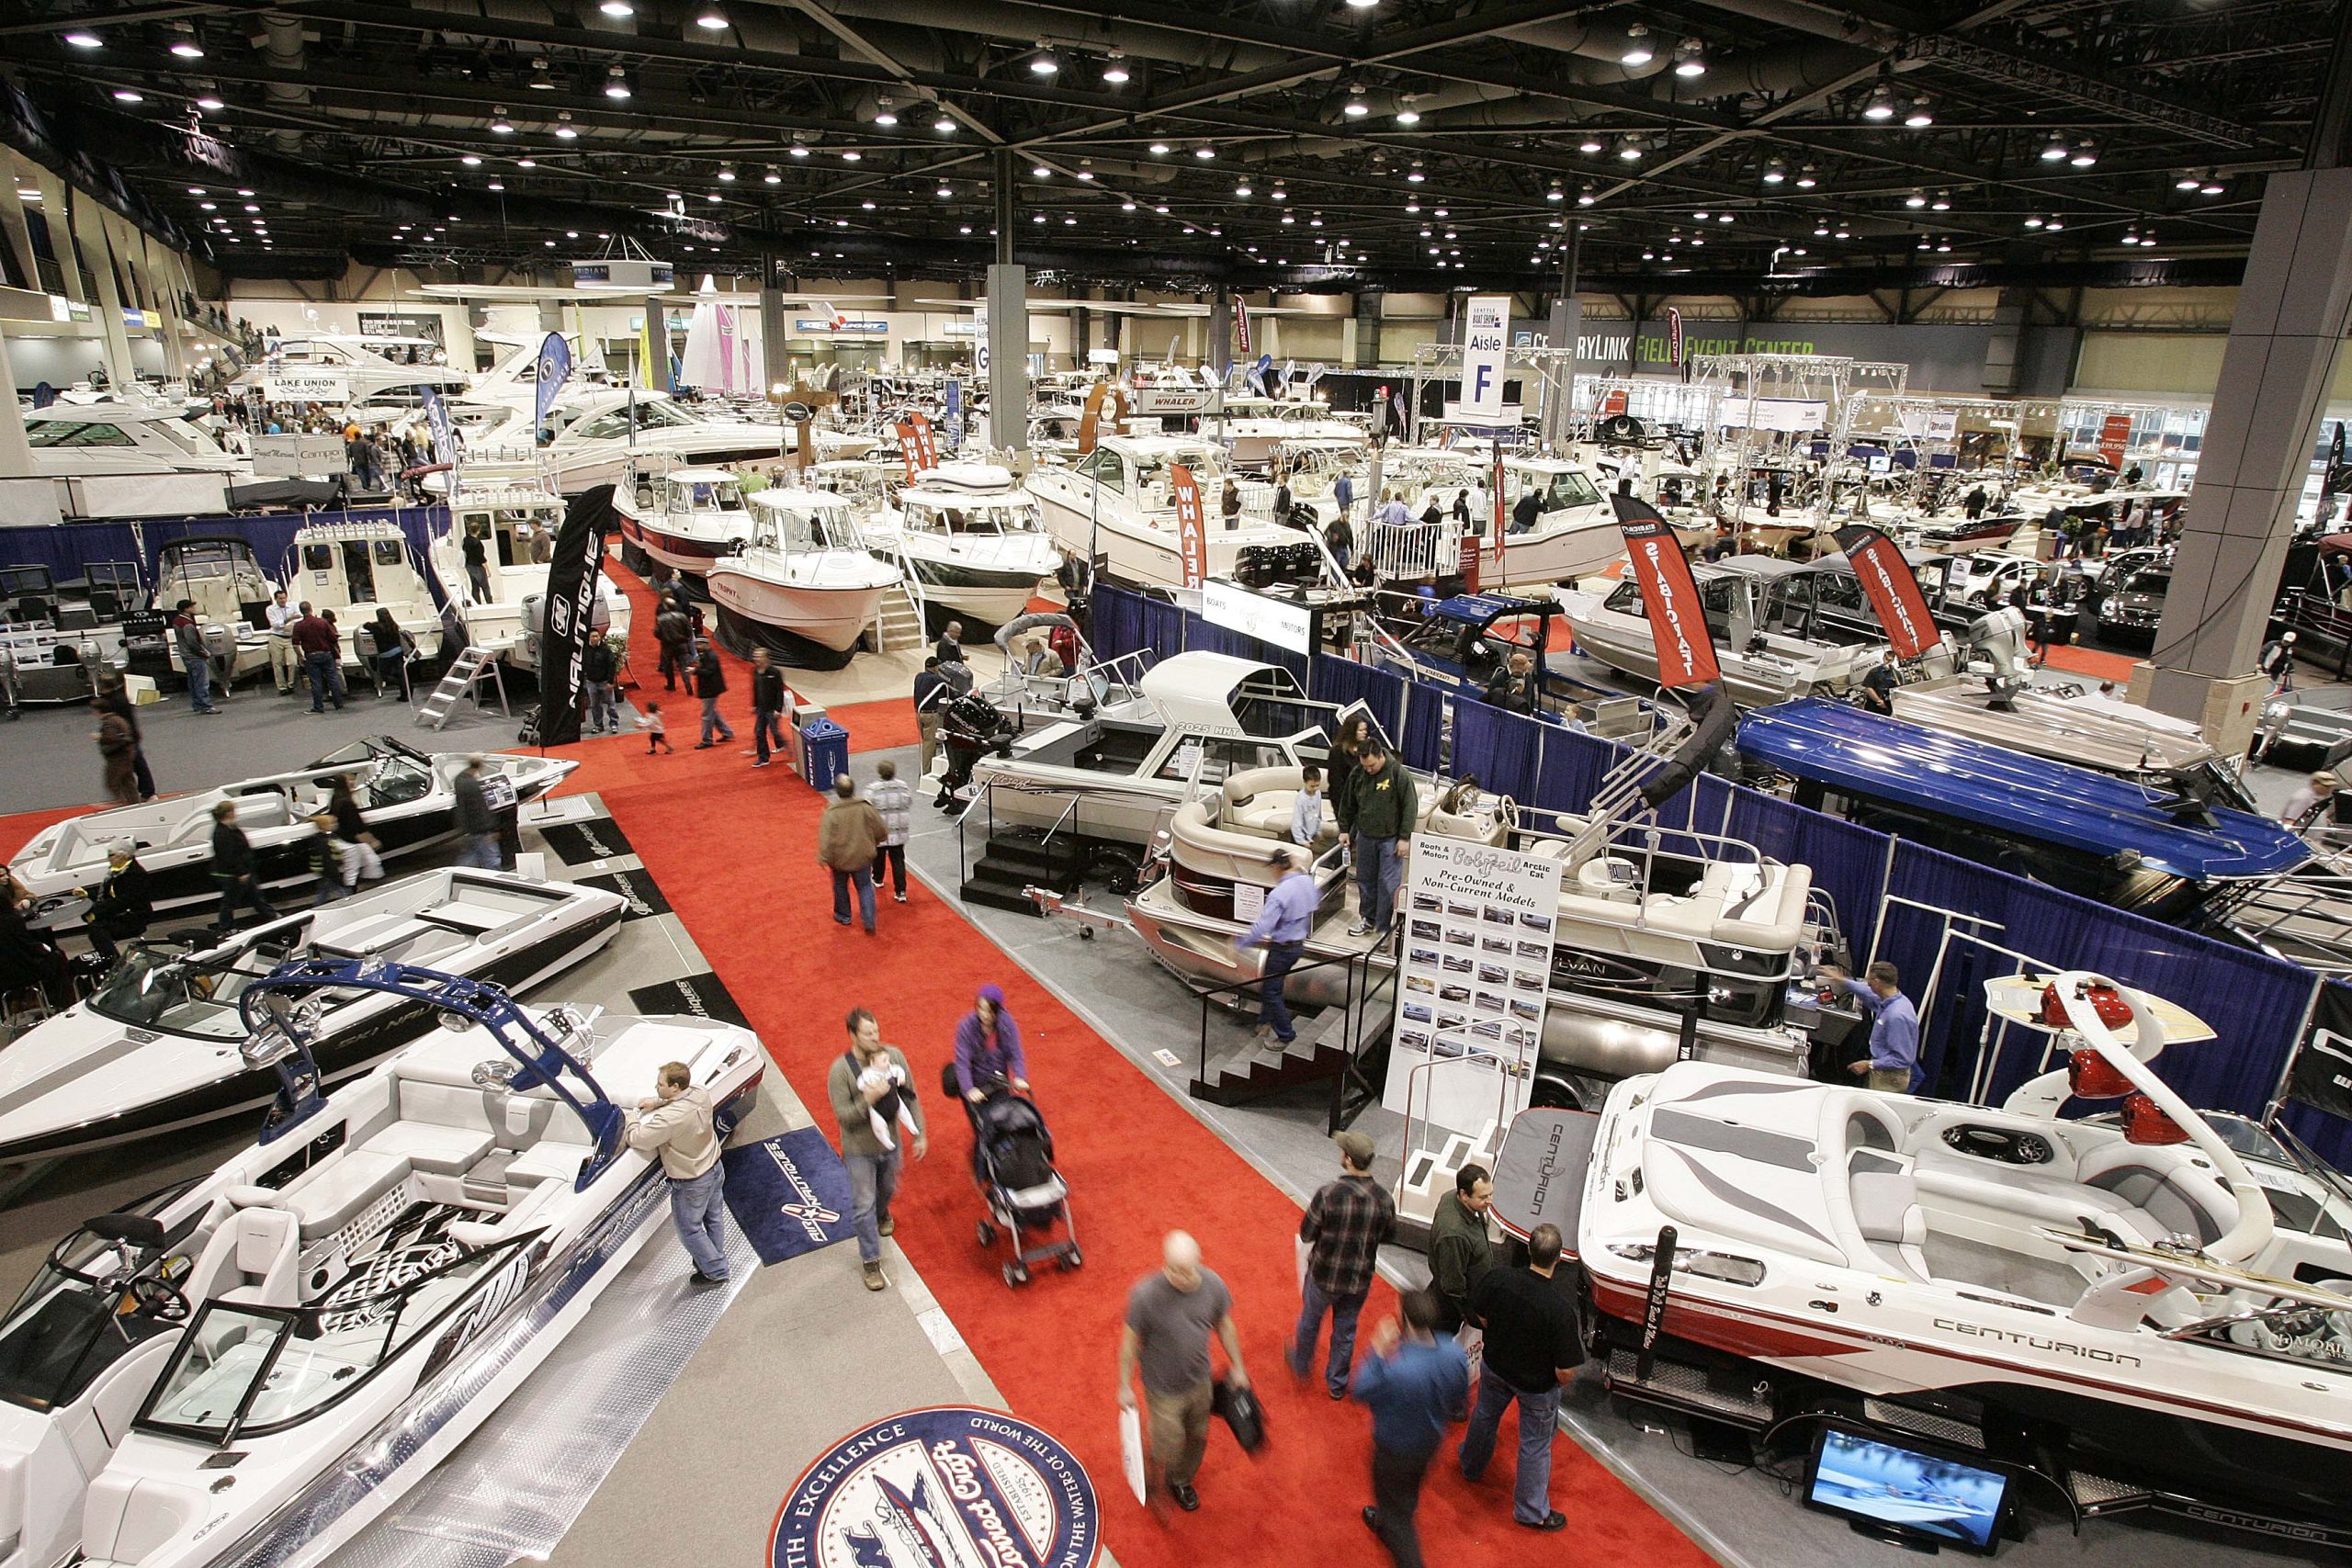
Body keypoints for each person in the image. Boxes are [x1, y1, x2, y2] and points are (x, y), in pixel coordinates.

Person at [1457, 1223, 1580, 1532]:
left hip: (1496, 1368)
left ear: (1528, 1250)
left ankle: (1470, 1466)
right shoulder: (1560, 1311)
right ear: (1559, 1259)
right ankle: (1530, 1510)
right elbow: (1566, 1372)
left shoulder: (1499, 1279)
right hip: (1536, 1387)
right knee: (1535, 1445)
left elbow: (1481, 1317)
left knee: (1484, 1416)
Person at [1118, 1231, 1247, 1512]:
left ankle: (1180, 1480)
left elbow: (1224, 1325)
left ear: (1199, 1262)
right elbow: (1129, 1342)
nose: (1181, 1278)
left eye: (1187, 1271)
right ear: (1164, 1264)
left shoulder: (1213, 1285)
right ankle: (1154, 1480)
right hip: (1162, 1390)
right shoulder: (1145, 1294)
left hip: (1200, 1382)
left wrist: (1238, 1365)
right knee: (1168, 1442)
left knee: (1198, 1435)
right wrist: (1124, 1386)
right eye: (1174, 1270)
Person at [1355, 1289, 1471, 1568]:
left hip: (1394, 1449)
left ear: (1403, 1317)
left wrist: (1377, 1350)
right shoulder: (1454, 1353)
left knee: (1399, 1519)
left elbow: (1360, 1389)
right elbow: (1459, 1399)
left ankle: (1393, 1526)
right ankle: (1388, 1517)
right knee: (1405, 1493)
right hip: (1430, 1442)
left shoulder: (1397, 1365)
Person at [1291, 1129, 1396, 1399]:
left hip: (1324, 1275)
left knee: (1310, 1321)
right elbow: (1389, 1235)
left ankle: (1301, 1363)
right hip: (1359, 1278)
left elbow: (1306, 1233)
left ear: (1348, 1159)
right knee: (1346, 1330)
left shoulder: (1328, 1194)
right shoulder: (1384, 1198)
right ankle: (1337, 1384)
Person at [828, 1007, 926, 1291]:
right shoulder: (840, 1071)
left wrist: (920, 1133)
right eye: (868, 1033)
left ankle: (883, 1212)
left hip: (891, 1144)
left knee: (888, 1189)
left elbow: (911, 1095)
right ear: (852, 1035)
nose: (875, 1037)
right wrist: (867, 1100)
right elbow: (844, 1116)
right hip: (859, 1149)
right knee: (862, 1206)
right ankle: (871, 1261)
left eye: (876, 1031)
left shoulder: (892, 1057)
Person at [628, 1060, 731, 1285]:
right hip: (714, 1166)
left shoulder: (670, 1118)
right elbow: (681, 1100)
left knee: (690, 1230)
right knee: (713, 1217)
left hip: (692, 1181)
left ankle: (716, 1271)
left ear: (675, 1087)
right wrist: (657, 1103)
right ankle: (713, 1260)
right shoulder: (699, 1092)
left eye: (660, 1085)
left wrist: (631, 1120)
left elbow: (638, 1139)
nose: (657, 1088)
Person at [1238, 847, 1317, 1045]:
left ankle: (1285, 1035)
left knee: (1271, 991)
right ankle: (1264, 1022)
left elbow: (1263, 926)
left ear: (1276, 867)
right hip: (1298, 945)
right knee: (1272, 985)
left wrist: (1240, 943)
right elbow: (1315, 903)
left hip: (1282, 948)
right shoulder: (1306, 882)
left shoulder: (1279, 893)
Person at [1348, 742, 1416, 938]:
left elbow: (1410, 807)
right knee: (1365, 880)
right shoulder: (1359, 773)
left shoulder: (1399, 774)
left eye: (1372, 766)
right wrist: (1345, 830)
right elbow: (1349, 802)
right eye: (1365, 766)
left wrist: (1404, 837)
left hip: (1390, 840)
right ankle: (1368, 919)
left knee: (1388, 884)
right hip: (1366, 837)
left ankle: (1385, 928)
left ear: (1380, 756)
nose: (1368, 770)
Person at [1822, 959, 1920, 1091]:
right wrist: (1841, 979)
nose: (1868, 983)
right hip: (1883, 1069)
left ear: (1877, 982)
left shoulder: (1896, 1016)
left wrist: (1869, 1064)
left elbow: (1902, 1059)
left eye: (1870, 980)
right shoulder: (1890, 999)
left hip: (1889, 1077)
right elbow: (1866, 992)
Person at [1429, 1164, 1499, 1337]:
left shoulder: (1454, 1199)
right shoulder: (1454, 1234)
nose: (1490, 1201)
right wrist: (1471, 1315)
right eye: (1483, 1197)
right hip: (1449, 1309)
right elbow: (1453, 1284)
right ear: (1464, 1195)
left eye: (1490, 1194)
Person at [818, 774, 887, 933]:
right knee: (864, 886)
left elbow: (826, 838)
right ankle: (869, 919)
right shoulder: (865, 808)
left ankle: (843, 915)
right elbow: (880, 829)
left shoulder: (831, 813)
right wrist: (876, 842)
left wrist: (823, 857)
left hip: (839, 860)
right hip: (862, 857)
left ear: (837, 791)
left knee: (840, 885)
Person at [77, 842, 152, 964]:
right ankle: (110, 959)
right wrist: (87, 894)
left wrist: (96, 913)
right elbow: (106, 895)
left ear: (123, 856)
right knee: (94, 925)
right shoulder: (116, 872)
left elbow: (123, 901)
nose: (109, 858)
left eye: (111, 855)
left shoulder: (135, 875)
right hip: (120, 914)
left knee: (97, 928)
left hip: (134, 917)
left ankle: (113, 962)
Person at [209, 800, 276, 931]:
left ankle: (270, 915)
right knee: (231, 900)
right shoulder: (222, 833)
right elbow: (228, 856)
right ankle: (225, 927)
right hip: (231, 873)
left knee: (255, 895)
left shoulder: (230, 828)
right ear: (228, 813)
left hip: (242, 870)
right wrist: (241, 872)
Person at [952, 983, 1027, 1100]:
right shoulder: (966, 1027)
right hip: (975, 1081)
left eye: (990, 1011)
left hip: (999, 1080)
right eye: (981, 1009)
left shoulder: (1007, 1024)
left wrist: (1019, 1076)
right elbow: (962, 1062)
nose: (985, 1015)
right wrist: (969, 1089)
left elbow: (1015, 1052)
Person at [90, 677, 153, 800]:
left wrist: (101, 737)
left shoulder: (113, 704)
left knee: (122, 773)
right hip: (131, 736)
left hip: (126, 741)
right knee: (133, 769)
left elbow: (114, 732)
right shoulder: (121, 698)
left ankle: (142, 794)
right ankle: (143, 794)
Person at [867, 759, 913, 903]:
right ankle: (901, 891)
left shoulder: (873, 790)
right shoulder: (903, 786)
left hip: (880, 831)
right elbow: (908, 802)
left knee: (878, 856)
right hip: (899, 830)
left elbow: (867, 808)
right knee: (898, 860)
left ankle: (878, 878)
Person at [326, 773, 383, 889]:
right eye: (350, 779)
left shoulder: (336, 799)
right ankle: (350, 891)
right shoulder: (347, 803)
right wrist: (371, 841)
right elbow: (356, 826)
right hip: (351, 841)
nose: (353, 782)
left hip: (343, 838)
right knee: (354, 868)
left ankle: (363, 886)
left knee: (371, 862)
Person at [289, 601, 344, 713]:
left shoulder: (298, 626)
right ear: (311, 609)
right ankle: (338, 704)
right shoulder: (322, 622)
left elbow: (295, 644)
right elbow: (333, 639)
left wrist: (300, 657)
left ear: (301, 611)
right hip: (326, 654)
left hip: (311, 656)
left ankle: (318, 707)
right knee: (332, 679)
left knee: (316, 682)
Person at [171, 600, 220, 715]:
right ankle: (206, 705)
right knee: (202, 682)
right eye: (192, 607)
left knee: (193, 681)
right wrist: (203, 652)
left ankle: (197, 704)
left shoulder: (177, 621)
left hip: (186, 656)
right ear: (186, 609)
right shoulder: (186, 623)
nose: (194, 608)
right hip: (194, 656)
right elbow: (192, 642)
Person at [452, 755, 500, 870]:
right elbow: (480, 808)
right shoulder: (472, 785)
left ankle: (458, 874)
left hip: (470, 829)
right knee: (492, 860)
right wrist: (491, 829)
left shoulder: (460, 780)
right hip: (481, 830)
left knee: (470, 856)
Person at [749, 647, 790, 768]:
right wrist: (755, 705)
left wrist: (778, 709)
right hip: (761, 708)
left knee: (775, 731)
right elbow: (755, 689)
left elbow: (779, 692)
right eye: (755, 656)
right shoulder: (755, 671)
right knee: (759, 732)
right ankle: (763, 758)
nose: (756, 658)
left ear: (766, 658)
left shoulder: (775, 672)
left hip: (772, 708)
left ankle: (784, 745)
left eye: (759, 656)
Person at [913, 657, 953, 776]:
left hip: (918, 714)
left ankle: (926, 767)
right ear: (936, 667)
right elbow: (949, 692)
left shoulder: (918, 676)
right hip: (930, 715)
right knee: (929, 745)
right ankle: (926, 772)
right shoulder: (936, 679)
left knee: (925, 741)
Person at [306, 810, 354, 904]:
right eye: (332, 823)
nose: (335, 824)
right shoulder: (325, 842)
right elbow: (328, 860)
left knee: (324, 890)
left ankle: (318, 904)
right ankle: (350, 903)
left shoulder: (321, 839)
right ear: (325, 826)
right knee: (342, 889)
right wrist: (336, 875)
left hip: (323, 870)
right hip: (329, 871)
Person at [692, 644, 734, 749]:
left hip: (711, 690)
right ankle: (727, 732)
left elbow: (709, 672)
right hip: (710, 689)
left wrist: (695, 671)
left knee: (706, 715)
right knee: (712, 712)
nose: (697, 646)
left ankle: (707, 740)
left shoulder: (711, 657)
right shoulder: (706, 655)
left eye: (699, 644)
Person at [95, 705, 138, 806]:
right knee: (128, 782)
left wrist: (100, 738)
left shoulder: (108, 723)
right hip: (127, 754)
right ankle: (134, 803)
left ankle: (119, 802)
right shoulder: (119, 719)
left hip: (117, 757)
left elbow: (111, 738)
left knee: (113, 781)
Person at [581, 626, 620, 735]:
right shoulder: (585, 649)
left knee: (610, 704)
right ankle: (598, 725)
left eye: (597, 636)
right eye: (593, 636)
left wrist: (610, 681)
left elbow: (611, 665)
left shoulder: (605, 649)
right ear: (589, 638)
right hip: (591, 682)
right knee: (595, 705)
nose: (595, 638)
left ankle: (614, 724)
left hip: (604, 681)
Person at [368, 607, 412, 699]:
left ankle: (405, 685)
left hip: (386, 655)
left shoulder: (376, 627)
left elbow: (365, 625)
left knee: (384, 675)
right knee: (401, 673)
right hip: (398, 651)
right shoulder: (394, 624)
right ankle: (406, 692)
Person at [265, 588, 299, 694]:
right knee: (277, 663)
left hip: (289, 638)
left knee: (293, 662)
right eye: (280, 599)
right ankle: (282, 687)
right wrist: (288, 620)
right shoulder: (270, 609)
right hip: (276, 637)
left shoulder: (293, 605)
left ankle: (291, 684)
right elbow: (274, 624)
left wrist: (290, 625)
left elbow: (299, 617)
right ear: (276, 599)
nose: (283, 600)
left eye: (284, 598)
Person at [655, 601, 692, 693]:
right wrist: (685, 639)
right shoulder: (683, 617)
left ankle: (671, 685)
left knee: (668, 666)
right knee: (684, 666)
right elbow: (689, 632)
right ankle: (688, 685)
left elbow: (657, 633)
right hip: (682, 645)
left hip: (667, 646)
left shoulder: (661, 619)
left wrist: (664, 638)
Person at [1291, 763, 1329, 847]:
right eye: (1312, 786)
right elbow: (1296, 822)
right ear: (1305, 782)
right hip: (1300, 836)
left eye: (1317, 786)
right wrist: (1302, 841)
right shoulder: (1301, 798)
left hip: (1311, 835)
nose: (1315, 789)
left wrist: (1318, 831)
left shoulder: (1318, 793)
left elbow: (1318, 815)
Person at [1484, 650, 1534, 715]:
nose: (1526, 671)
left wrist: (1531, 712)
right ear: (1516, 667)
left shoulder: (1529, 678)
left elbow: (1531, 698)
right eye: (1524, 669)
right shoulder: (1499, 678)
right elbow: (1490, 698)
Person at [1858, 649, 1899, 715]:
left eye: (1890, 660)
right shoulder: (1874, 672)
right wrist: (1879, 701)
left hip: (1888, 706)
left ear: (1893, 660)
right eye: (1886, 659)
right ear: (1883, 658)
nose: (1888, 662)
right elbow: (1868, 688)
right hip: (1874, 705)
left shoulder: (1896, 674)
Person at [461, 522, 491, 602]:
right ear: (478, 530)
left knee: (475, 586)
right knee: (485, 587)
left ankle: (477, 602)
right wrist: (488, 570)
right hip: (478, 567)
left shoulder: (466, 539)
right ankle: (490, 602)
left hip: (469, 566)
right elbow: (481, 558)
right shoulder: (477, 543)